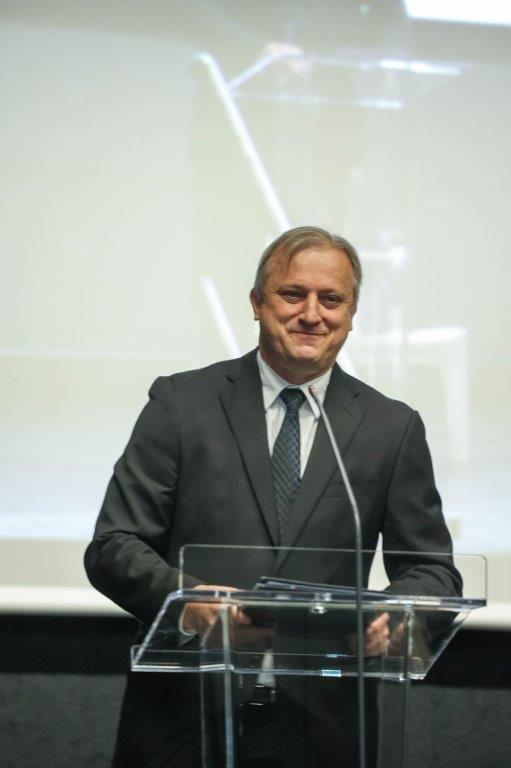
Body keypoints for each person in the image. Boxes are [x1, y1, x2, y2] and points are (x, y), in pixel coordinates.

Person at [85, 226, 460, 767]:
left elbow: (432, 570)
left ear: (352, 314)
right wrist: (187, 603)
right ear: (257, 302)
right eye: (293, 294)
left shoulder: (391, 427)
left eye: (331, 299)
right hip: (185, 716)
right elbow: (114, 546)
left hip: (325, 726)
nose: (312, 314)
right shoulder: (181, 403)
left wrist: (401, 617)